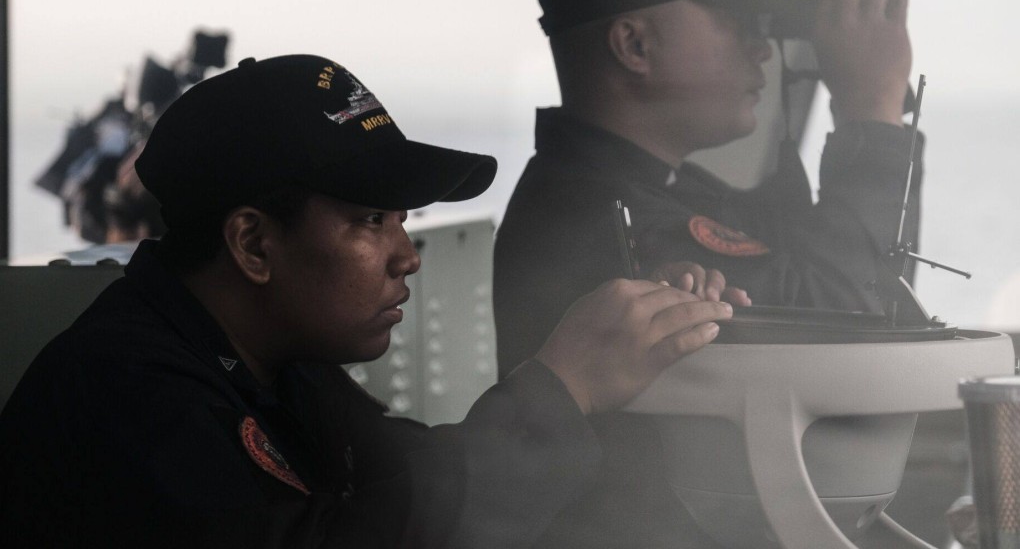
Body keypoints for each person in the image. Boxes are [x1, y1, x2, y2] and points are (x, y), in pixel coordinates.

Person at [0, 54, 731, 549]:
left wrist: (630, 344)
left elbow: (402, 482)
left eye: (404, 221)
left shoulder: (274, 369)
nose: (408, 256)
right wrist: (559, 390)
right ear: (254, 245)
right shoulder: (130, 399)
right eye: (372, 221)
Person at [493, 0, 920, 548]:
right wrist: (870, 112)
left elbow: (837, 279)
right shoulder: (598, 219)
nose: (759, 46)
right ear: (634, 46)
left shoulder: (642, 190)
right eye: (734, 16)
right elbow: (855, 324)